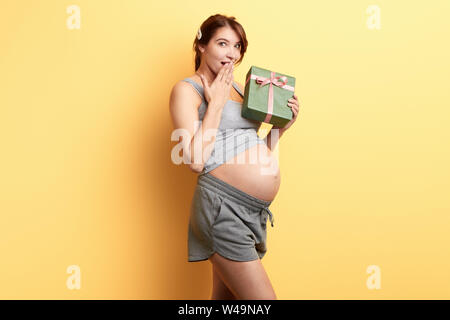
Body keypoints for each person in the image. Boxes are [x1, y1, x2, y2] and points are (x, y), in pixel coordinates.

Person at [169, 14, 300, 300]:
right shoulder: (187, 90)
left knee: (225, 301)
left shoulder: (241, 89)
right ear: (201, 45)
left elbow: (253, 149)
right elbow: (194, 160)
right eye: (222, 43)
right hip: (221, 209)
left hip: (251, 212)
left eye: (237, 46)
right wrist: (214, 103)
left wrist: (280, 128)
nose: (231, 53)